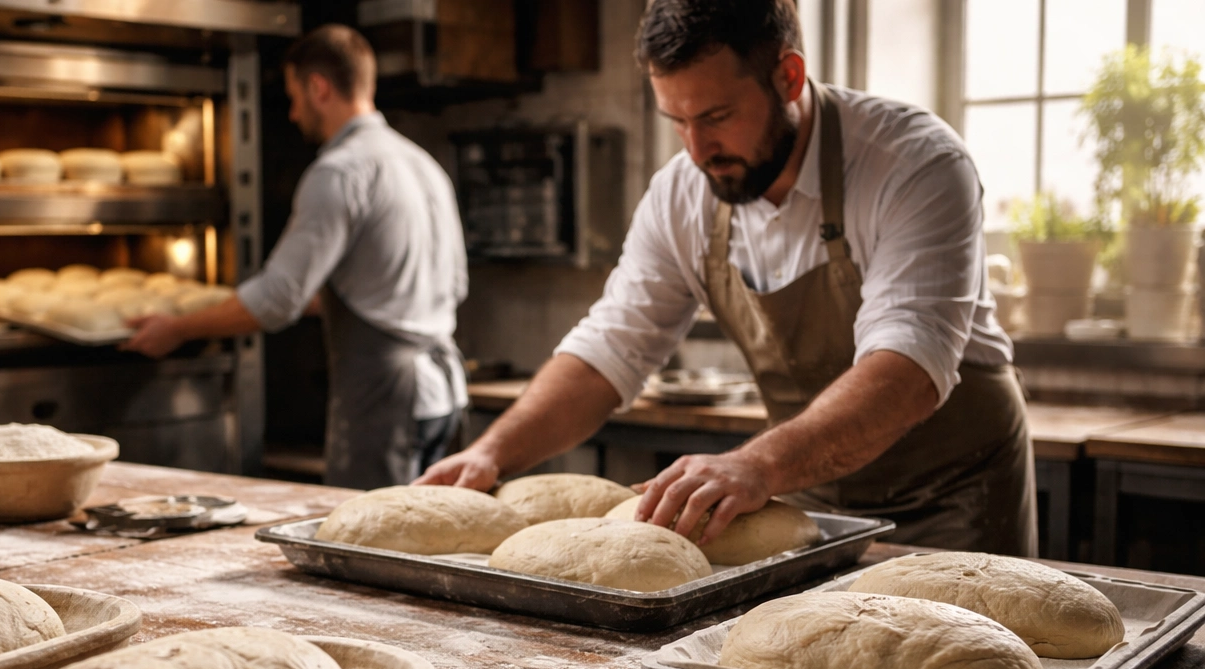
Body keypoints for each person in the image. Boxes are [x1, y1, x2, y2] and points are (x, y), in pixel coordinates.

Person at [418, 0, 1036, 556]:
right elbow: (607, 350)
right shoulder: (683, 193)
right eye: (676, 121)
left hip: (956, 500)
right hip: (809, 497)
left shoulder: (915, 163)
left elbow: (906, 371)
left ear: (789, 77)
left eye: (716, 115)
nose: (696, 147)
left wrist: (756, 464)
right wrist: (489, 454)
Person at [122, 24, 469, 490]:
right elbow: (427, 285)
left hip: (387, 402)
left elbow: (277, 299)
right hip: (444, 396)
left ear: (318, 87)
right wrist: (228, 306)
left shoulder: (339, 171)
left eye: (293, 96)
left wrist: (177, 327)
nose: (291, 112)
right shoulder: (422, 164)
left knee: (367, 549)